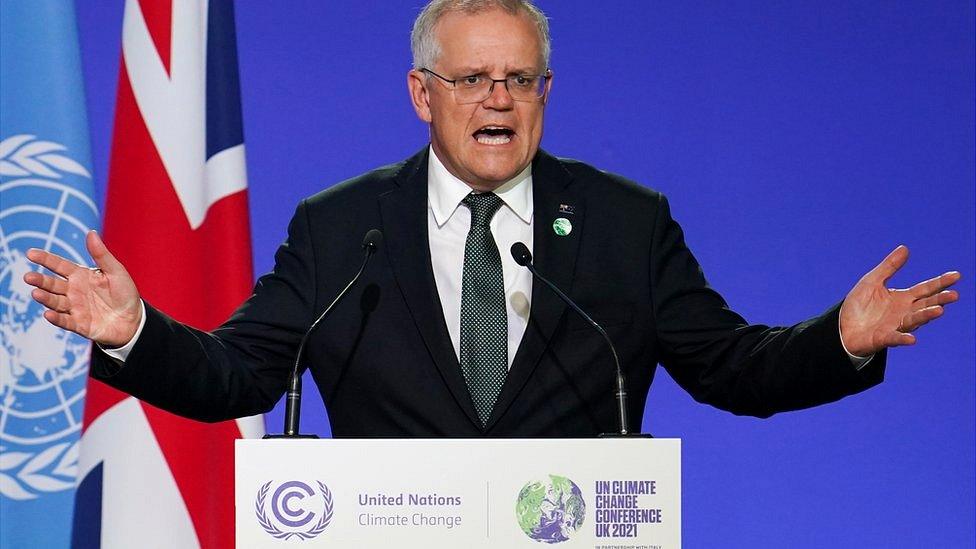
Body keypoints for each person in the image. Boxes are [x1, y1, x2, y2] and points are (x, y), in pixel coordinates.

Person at [23, 0, 960, 436]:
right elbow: (241, 374)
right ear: (422, 94)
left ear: (545, 92)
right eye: (472, 78)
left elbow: (730, 368)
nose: (497, 98)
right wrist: (135, 331)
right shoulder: (344, 227)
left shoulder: (625, 225)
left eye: (519, 78)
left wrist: (838, 338)